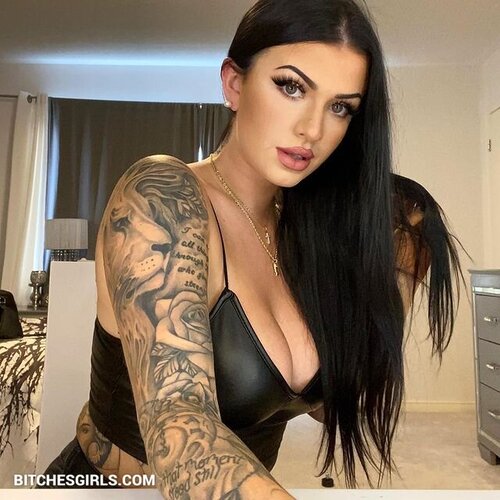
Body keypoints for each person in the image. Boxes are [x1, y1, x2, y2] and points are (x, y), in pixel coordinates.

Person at [42, 0, 463, 497]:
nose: (313, 129)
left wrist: (390, 279)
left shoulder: (310, 232)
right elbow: (181, 432)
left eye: (340, 107)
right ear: (234, 83)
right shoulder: (162, 199)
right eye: (291, 87)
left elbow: (330, 406)